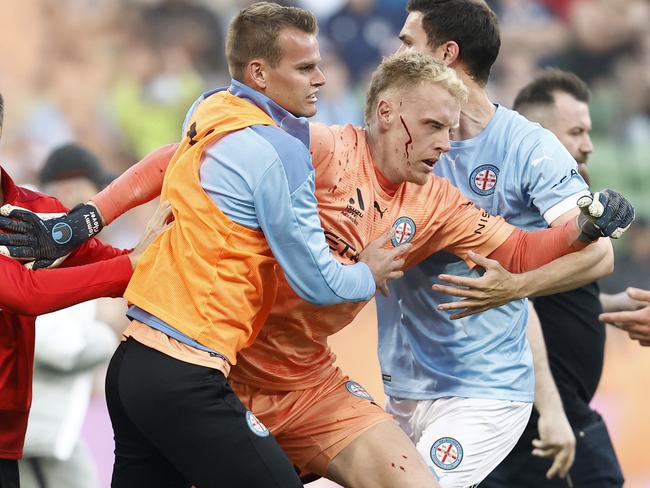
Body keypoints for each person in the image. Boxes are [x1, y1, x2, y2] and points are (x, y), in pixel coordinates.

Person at [374, 2, 626, 486]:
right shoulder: (397, 138)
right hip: (404, 385)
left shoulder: (527, 147)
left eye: (408, 42)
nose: (395, 52)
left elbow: (600, 252)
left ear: (445, 54)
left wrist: (515, 286)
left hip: (486, 389)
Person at [0, 93, 170, 488]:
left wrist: (160, 245)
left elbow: (113, 262)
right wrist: (128, 268)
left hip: (13, 436)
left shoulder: (36, 209)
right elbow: (24, 292)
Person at [482, 69, 624, 487]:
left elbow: (556, 297)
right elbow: (515, 303)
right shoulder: (513, 213)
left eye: (589, 131)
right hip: (543, 418)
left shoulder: (564, 210)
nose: (588, 145)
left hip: (563, 411)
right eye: (577, 131)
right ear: (538, 137)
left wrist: (615, 308)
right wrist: (552, 410)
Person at [18, 144, 120, 488]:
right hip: (39, 433)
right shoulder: (42, 252)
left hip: (38, 431)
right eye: (96, 193)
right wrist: (108, 334)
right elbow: (59, 345)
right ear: (71, 192)